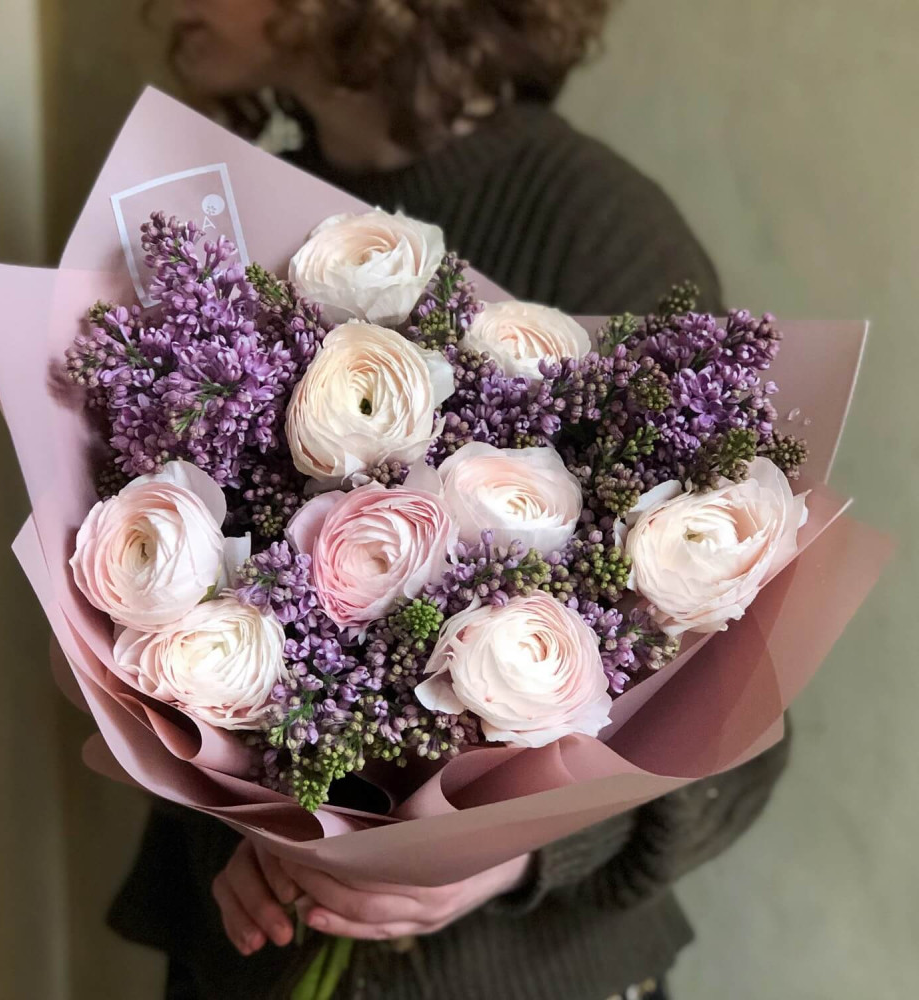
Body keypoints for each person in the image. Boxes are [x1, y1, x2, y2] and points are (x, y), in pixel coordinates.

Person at [111, 3, 791, 998]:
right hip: (250, 963)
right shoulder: (209, 232)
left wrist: (516, 854)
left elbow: (739, 712)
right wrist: (241, 831)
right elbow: (149, 618)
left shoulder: (592, 220)